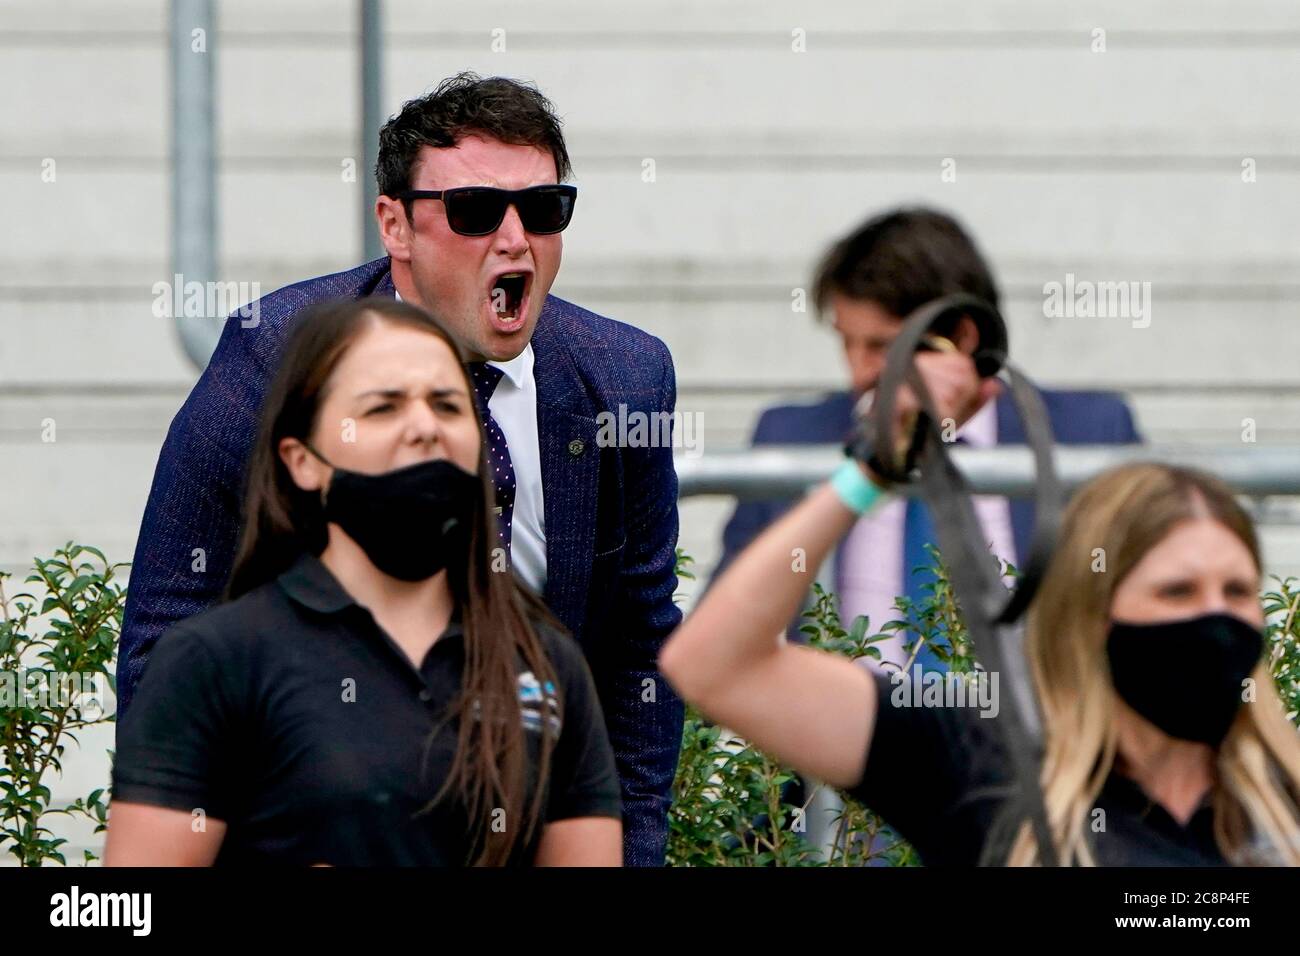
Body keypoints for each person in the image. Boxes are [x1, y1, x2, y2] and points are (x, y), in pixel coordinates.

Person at [117, 73, 684, 865]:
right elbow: (166, 628)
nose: (515, 237)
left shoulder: (625, 377)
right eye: (476, 210)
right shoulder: (277, 356)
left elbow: (638, 650)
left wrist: (635, 849)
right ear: (395, 223)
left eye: (545, 208)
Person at [661, 351, 1300, 866]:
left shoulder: (1282, 803)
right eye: (1177, 592)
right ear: (1092, 610)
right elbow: (715, 664)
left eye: (1238, 592)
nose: (1215, 619)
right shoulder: (987, 762)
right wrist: (873, 471)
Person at [105, 298, 623, 866]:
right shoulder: (215, 663)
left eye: (449, 405)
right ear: (301, 460)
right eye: (383, 409)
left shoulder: (544, 661)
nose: (425, 428)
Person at [715, 208, 1141, 665]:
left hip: (1034, 732)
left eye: (881, 347)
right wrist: (867, 465)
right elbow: (718, 632)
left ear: (961, 338)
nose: (857, 373)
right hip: (844, 732)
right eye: (846, 342)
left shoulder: (1089, 434)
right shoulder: (791, 438)